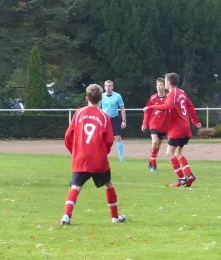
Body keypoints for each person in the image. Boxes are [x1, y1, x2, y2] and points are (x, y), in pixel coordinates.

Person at [61, 84, 127, 225]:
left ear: (86, 97)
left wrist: (75, 152)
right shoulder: (104, 116)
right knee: (108, 184)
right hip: (99, 159)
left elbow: (67, 137)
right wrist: (103, 153)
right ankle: (115, 217)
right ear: (100, 99)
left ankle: (66, 216)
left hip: (80, 158)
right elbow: (109, 140)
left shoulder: (78, 113)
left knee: (75, 187)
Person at [143, 73, 201, 187]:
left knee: (169, 154)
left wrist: (150, 107)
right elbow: (190, 107)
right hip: (185, 127)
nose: (164, 83)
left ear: (168, 83)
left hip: (177, 129)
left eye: (165, 81)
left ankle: (182, 179)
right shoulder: (182, 92)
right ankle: (189, 176)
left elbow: (167, 106)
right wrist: (194, 121)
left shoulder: (172, 94)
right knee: (178, 153)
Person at [141, 78, 169, 172]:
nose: (159, 87)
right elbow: (147, 110)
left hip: (164, 125)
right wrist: (144, 123)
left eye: (161, 85)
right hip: (153, 123)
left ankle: (151, 160)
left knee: (157, 146)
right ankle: (153, 165)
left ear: (165, 86)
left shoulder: (168, 98)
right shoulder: (153, 98)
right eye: (157, 85)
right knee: (154, 141)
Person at [98, 80, 126, 161]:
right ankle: (101, 156)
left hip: (115, 118)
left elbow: (122, 108)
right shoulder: (101, 96)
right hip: (104, 119)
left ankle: (121, 158)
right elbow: (98, 109)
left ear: (112, 87)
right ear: (104, 87)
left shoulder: (117, 96)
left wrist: (124, 120)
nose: (108, 87)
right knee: (101, 137)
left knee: (117, 137)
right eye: (106, 86)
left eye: (110, 86)